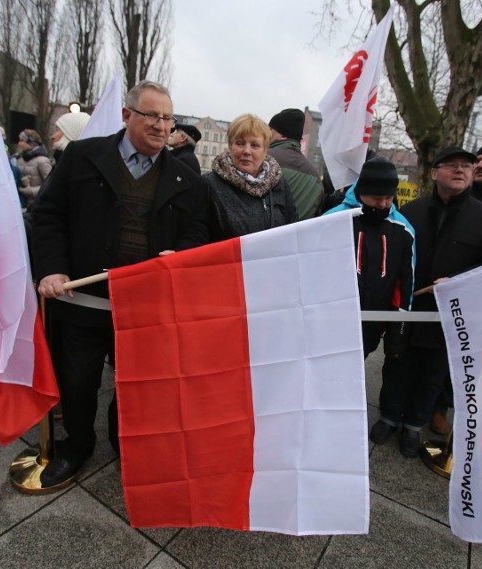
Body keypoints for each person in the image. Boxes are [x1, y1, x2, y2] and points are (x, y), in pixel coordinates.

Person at [30, 80, 209, 487]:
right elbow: (48, 215)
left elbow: (197, 230)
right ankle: (76, 445)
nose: (162, 126)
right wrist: (52, 268)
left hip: (143, 307)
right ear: (127, 115)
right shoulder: (83, 157)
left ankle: (122, 442)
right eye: (152, 115)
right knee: (76, 381)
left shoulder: (186, 178)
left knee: (134, 386)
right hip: (83, 300)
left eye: (168, 118)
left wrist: (182, 253)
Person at [391, 146, 482, 457]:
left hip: (453, 315)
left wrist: (460, 281)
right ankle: (388, 418)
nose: (460, 170)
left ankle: (414, 427)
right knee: (397, 366)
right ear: (434, 173)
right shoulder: (411, 211)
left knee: (433, 373)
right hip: (409, 309)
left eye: (466, 166)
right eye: (451, 165)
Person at [340, 157, 415, 446]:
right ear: (361, 192)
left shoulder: (403, 229)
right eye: (377, 197)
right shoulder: (335, 218)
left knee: (355, 370)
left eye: (389, 197)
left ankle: (348, 417)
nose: (384, 204)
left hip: (373, 323)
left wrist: (397, 332)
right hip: (335, 320)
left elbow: (404, 284)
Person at [205, 113, 298, 240]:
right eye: (240, 143)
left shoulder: (279, 185)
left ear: (265, 150)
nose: (247, 151)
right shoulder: (209, 185)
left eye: (255, 145)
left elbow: (292, 230)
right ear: (230, 146)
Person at [267, 108, 323, 220]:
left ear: (282, 134)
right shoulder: (315, 177)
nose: (267, 133)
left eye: (270, 129)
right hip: (298, 236)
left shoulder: (263, 159)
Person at [16, 128, 53, 201]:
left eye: (22, 141)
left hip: (36, 203)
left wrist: (32, 191)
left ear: (31, 142)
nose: (19, 144)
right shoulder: (19, 158)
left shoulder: (43, 160)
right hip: (20, 201)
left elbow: (50, 184)